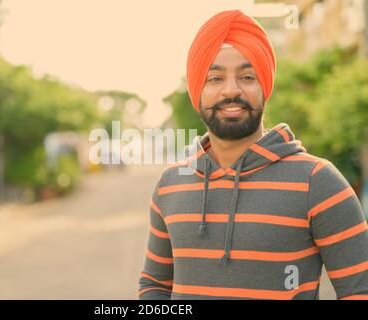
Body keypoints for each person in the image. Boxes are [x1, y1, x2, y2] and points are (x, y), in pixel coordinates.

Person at [138, 9, 368, 300]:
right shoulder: (170, 184)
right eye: (215, 78)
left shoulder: (317, 182)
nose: (231, 90)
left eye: (247, 76)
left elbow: (359, 291)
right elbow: (155, 286)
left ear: (265, 86)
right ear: (197, 90)